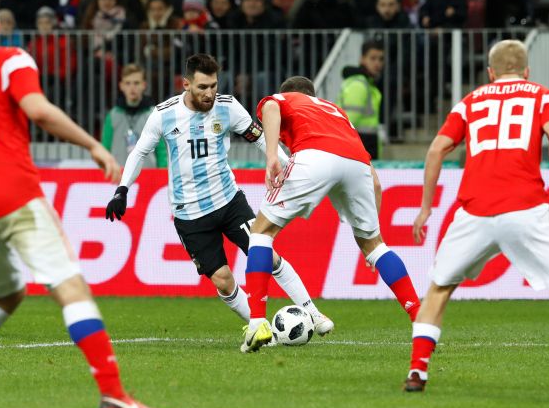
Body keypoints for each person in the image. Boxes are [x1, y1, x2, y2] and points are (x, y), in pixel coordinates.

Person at [0, 0, 168, 408]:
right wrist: (93, 145)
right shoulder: (11, 59)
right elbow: (38, 109)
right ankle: (114, 394)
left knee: (6, 292)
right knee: (71, 287)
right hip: (12, 191)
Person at [403, 39, 549, 396]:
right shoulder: (543, 96)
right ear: (527, 71)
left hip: (474, 211)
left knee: (439, 290)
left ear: (490, 72)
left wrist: (425, 207)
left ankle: (417, 373)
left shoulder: (470, 101)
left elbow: (436, 148)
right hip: (526, 207)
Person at [105, 54, 335, 338]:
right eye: (202, 87)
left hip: (228, 201)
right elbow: (140, 152)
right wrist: (122, 189)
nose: (209, 93)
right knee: (223, 280)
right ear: (186, 84)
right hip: (189, 213)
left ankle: (313, 313)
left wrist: (284, 166)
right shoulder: (164, 114)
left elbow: (259, 137)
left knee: (267, 255)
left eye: (213, 86)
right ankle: (261, 328)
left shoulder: (228, 107)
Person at [240, 76, 421, 353]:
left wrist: (272, 156)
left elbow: (271, 108)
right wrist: (372, 237)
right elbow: (375, 183)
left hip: (314, 155)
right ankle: (420, 319)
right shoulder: (336, 112)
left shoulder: (288, 98)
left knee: (261, 232)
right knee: (376, 247)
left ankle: (256, 323)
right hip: (356, 164)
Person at [102, 63, 165, 167]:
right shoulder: (113, 116)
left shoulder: (154, 115)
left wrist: (163, 173)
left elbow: (162, 151)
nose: (132, 87)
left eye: (136, 83)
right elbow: (105, 149)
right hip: (120, 174)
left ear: (144, 85)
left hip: (148, 174)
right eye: (128, 83)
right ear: (121, 86)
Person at [338, 40, 384, 159]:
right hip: (360, 148)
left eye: (381, 59)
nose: (377, 63)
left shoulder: (367, 84)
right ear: (362, 59)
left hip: (364, 146)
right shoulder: (359, 85)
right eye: (373, 58)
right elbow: (348, 123)